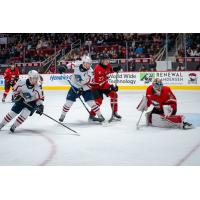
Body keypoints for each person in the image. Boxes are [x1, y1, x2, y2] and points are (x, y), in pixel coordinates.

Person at [59, 55, 105, 123]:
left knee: (91, 103)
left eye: (90, 64)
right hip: (75, 86)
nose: (89, 65)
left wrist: (80, 90)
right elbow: (70, 65)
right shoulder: (77, 64)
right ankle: (62, 115)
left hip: (85, 88)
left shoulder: (90, 72)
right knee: (68, 102)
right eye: (87, 63)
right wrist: (64, 67)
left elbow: (88, 83)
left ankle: (100, 115)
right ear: (83, 63)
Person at [89, 53, 122, 120]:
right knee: (98, 101)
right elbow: (100, 83)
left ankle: (114, 112)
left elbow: (110, 70)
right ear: (101, 60)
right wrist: (110, 86)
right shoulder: (98, 69)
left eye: (108, 59)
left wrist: (115, 69)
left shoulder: (107, 65)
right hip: (96, 87)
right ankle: (92, 115)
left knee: (114, 95)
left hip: (103, 85)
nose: (107, 61)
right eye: (105, 60)